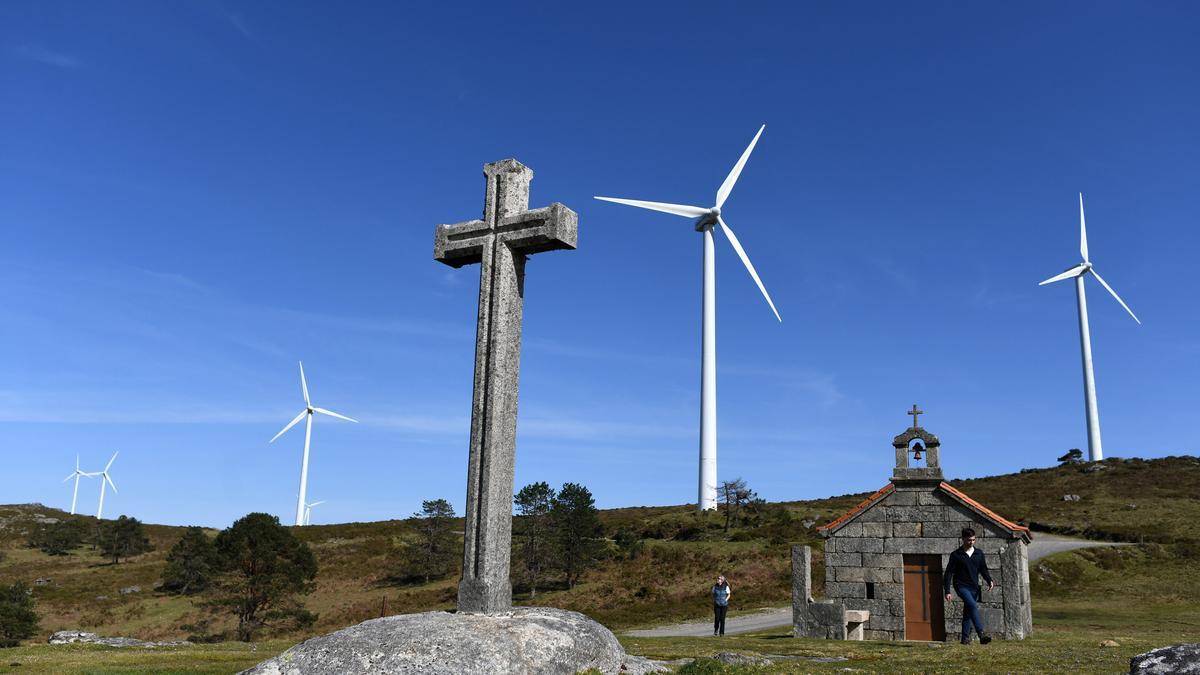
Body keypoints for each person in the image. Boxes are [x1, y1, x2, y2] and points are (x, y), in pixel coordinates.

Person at [943, 527, 994, 645]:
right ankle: (981, 634)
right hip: (961, 586)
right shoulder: (956, 555)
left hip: (974, 587)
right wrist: (947, 590)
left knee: (968, 611)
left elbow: (983, 569)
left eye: (973, 540)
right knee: (972, 605)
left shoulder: (979, 553)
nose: (971, 542)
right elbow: (949, 573)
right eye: (969, 540)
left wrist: (989, 580)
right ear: (963, 539)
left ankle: (965, 639)